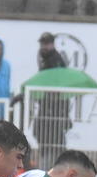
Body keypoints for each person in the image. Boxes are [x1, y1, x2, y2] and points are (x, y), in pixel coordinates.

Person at [31, 31, 72, 162]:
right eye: (43, 43)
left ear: (52, 44)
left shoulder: (56, 59)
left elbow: (58, 83)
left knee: (53, 138)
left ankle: (54, 167)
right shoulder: (44, 57)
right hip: (47, 104)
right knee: (42, 134)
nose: (44, 46)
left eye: (47, 43)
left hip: (55, 105)